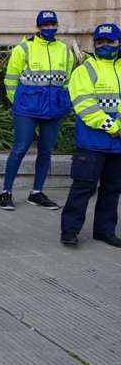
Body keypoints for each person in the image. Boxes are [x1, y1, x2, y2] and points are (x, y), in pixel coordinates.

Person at [0, 10, 73, 211]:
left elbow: (67, 80)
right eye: (45, 25)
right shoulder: (23, 48)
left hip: (53, 108)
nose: (49, 28)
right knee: (20, 148)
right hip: (27, 108)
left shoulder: (64, 50)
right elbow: (11, 79)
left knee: (46, 151)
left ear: (57, 25)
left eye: (52, 25)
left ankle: (36, 193)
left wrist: (62, 101)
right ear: (38, 27)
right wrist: (19, 102)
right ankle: (6, 192)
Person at [61, 23, 121, 248]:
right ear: (94, 44)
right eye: (100, 42)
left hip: (117, 145)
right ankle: (69, 230)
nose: (105, 45)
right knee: (82, 188)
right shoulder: (84, 71)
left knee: (112, 190)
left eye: (110, 41)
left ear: (118, 43)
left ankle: (104, 231)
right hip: (92, 142)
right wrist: (113, 127)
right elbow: (85, 106)